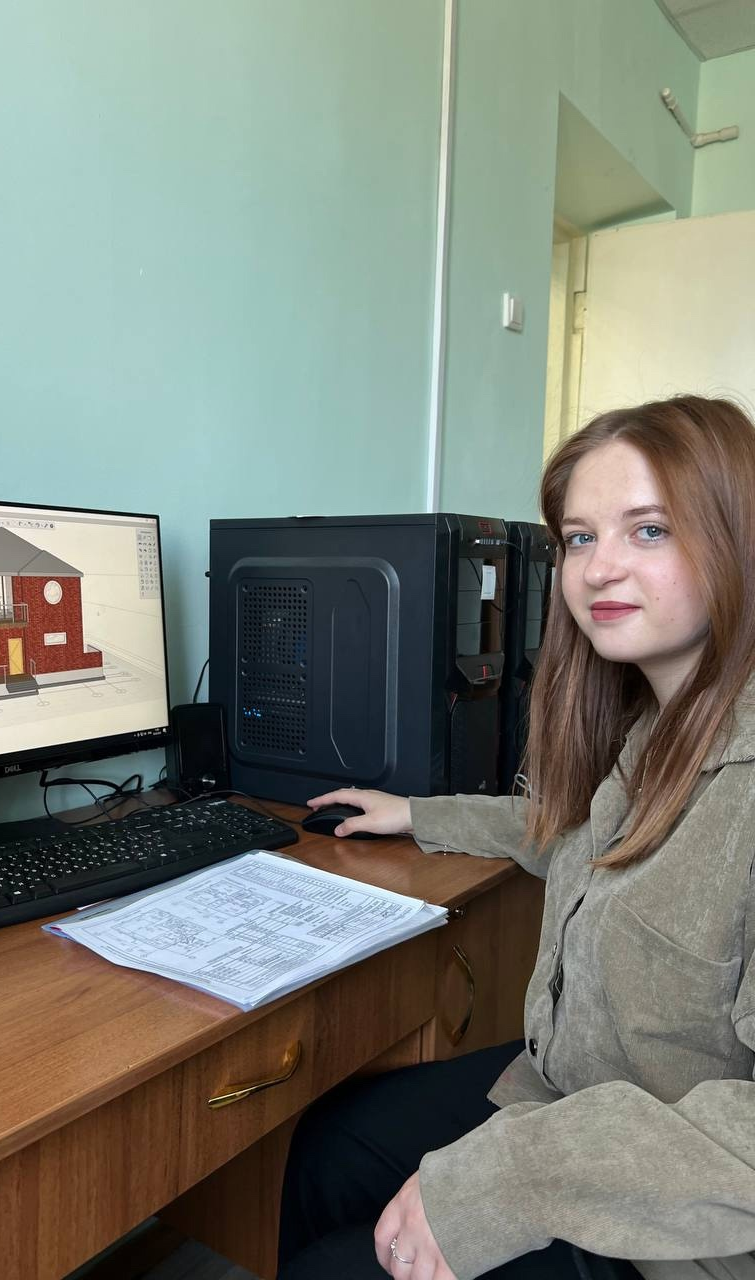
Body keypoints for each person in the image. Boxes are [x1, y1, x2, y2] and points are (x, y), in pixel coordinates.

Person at [276, 395, 755, 1280]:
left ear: (737, 536)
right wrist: (418, 814)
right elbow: (587, 841)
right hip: (572, 1092)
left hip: (684, 1231)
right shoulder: (664, 724)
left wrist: (516, 1178)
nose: (599, 569)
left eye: (649, 530)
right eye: (580, 538)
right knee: (332, 1147)